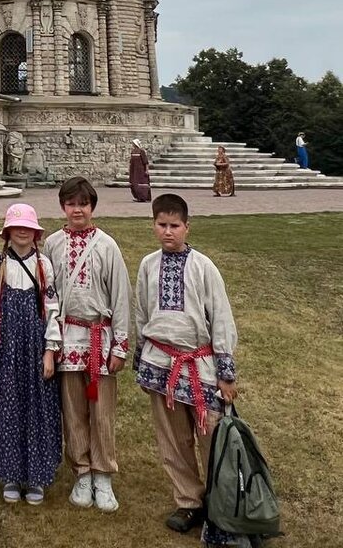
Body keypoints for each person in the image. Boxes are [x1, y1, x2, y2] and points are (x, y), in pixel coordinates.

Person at [135, 193, 239, 539]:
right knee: (173, 440)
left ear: (186, 226)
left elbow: (221, 318)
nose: (168, 232)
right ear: (154, 226)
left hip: (200, 365)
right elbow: (141, 314)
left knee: (210, 436)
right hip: (161, 362)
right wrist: (141, 360)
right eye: (162, 225)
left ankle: (219, 503)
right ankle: (188, 500)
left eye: (174, 226)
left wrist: (225, 372)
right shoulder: (148, 265)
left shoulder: (204, 266)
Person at [43, 176, 131, 513]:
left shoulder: (107, 246)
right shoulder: (51, 244)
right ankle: (81, 470)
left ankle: (103, 473)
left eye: (82, 203)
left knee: (102, 411)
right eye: (71, 203)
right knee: (73, 410)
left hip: (99, 337)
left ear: (92, 206)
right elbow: (47, 297)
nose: (77, 210)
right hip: (66, 339)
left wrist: (120, 345)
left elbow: (121, 296)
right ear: (63, 207)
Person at [0, 203, 62, 504]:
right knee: (8, 406)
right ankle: (11, 473)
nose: (23, 231)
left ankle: (36, 475)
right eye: (17, 226)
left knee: (36, 406)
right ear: (8, 231)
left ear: (36, 232)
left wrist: (50, 351)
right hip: (6, 347)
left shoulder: (44, 266)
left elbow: (53, 310)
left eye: (28, 226)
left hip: (34, 347)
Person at [129, 138, 152, 203]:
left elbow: (145, 161)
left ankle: (144, 197)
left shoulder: (141, 151)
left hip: (141, 171)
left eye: (133, 143)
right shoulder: (133, 151)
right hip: (134, 170)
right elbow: (131, 162)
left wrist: (146, 170)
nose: (133, 144)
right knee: (134, 183)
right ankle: (138, 197)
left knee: (142, 184)